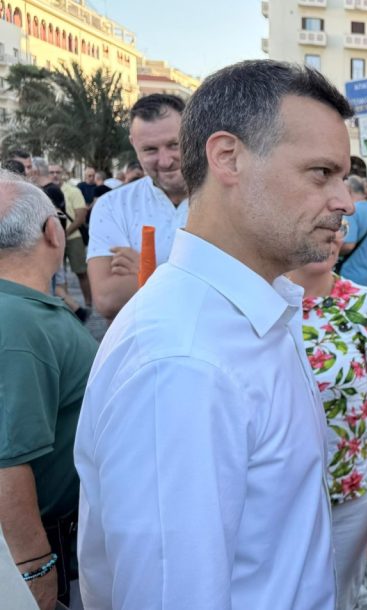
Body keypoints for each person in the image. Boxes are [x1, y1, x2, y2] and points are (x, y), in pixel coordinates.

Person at [74, 60, 354, 609]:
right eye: (321, 173)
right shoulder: (183, 361)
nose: (344, 200)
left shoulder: (249, 313)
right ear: (227, 157)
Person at [288, 227, 367, 609]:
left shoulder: (365, 307)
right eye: (317, 224)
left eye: (339, 226)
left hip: (348, 501)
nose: (331, 235)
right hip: (271, 502)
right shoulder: (258, 303)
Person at [0, 172, 98, 609]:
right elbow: (7, 463)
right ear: (53, 231)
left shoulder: (20, 310)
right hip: (41, 544)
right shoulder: (18, 323)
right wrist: (36, 571)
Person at [86, 94, 190, 320]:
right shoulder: (112, 206)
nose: (165, 161)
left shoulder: (228, 197)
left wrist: (147, 271)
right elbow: (107, 299)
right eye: (150, 150)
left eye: (174, 145)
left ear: (194, 134)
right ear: (134, 144)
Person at [52, 164, 92, 307]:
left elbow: (80, 217)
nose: (55, 175)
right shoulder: (45, 191)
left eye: (57, 172)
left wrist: (65, 233)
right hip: (54, 239)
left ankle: (89, 303)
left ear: (63, 173)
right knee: (59, 276)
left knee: (81, 272)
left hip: (74, 237)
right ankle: (67, 306)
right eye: (51, 172)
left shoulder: (73, 191)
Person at [338, 175, 367, 287]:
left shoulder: (351, 211)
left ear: (348, 190)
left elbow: (348, 245)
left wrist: (332, 251)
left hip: (350, 278)